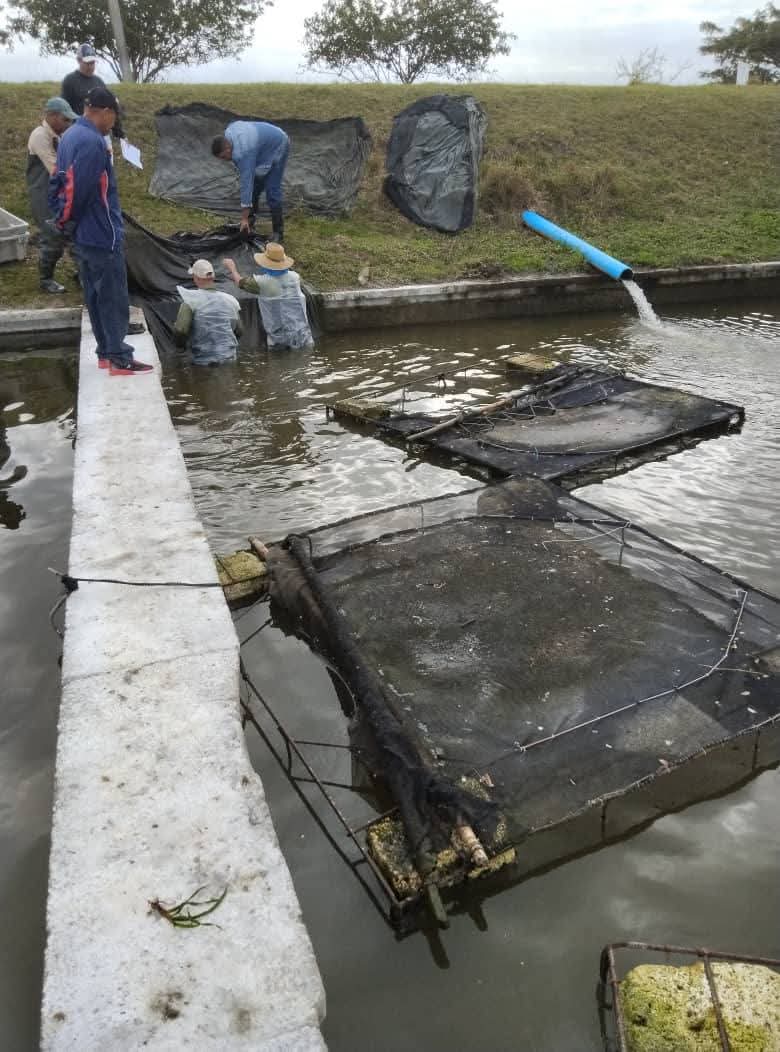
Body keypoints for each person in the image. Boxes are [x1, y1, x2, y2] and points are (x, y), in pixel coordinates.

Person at [50, 86, 152, 375]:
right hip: (101, 232)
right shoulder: (92, 142)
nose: (114, 122)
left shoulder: (70, 136)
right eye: (114, 116)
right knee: (112, 295)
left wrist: (65, 223)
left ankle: (106, 352)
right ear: (105, 112)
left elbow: (58, 183)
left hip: (84, 234)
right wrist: (68, 221)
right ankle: (119, 356)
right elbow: (79, 190)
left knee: (94, 296)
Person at [26, 97, 77, 293]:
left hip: (59, 193)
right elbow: (55, 168)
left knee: (73, 231)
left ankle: (82, 272)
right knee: (52, 236)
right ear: (53, 116)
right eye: (65, 119)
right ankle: (45, 279)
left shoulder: (59, 136)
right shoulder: (40, 136)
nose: (68, 123)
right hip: (43, 193)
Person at [222, 243, 313, 351]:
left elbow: (241, 283)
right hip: (303, 335)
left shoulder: (263, 283)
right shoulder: (295, 277)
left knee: (280, 365)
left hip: (279, 341)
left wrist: (232, 268)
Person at [211, 121, 289, 241]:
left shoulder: (244, 153)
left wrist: (243, 218)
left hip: (279, 144)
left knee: (272, 189)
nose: (224, 160)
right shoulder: (230, 134)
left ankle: (278, 233)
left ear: (227, 149)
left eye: (223, 157)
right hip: (263, 145)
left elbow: (246, 184)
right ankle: (250, 223)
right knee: (256, 183)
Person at [173, 259, 242, 366]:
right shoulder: (230, 300)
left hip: (204, 361)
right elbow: (239, 330)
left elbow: (181, 330)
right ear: (213, 277)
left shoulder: (190, 301)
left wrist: (180, 348)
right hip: (229, 358)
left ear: (195, 278)